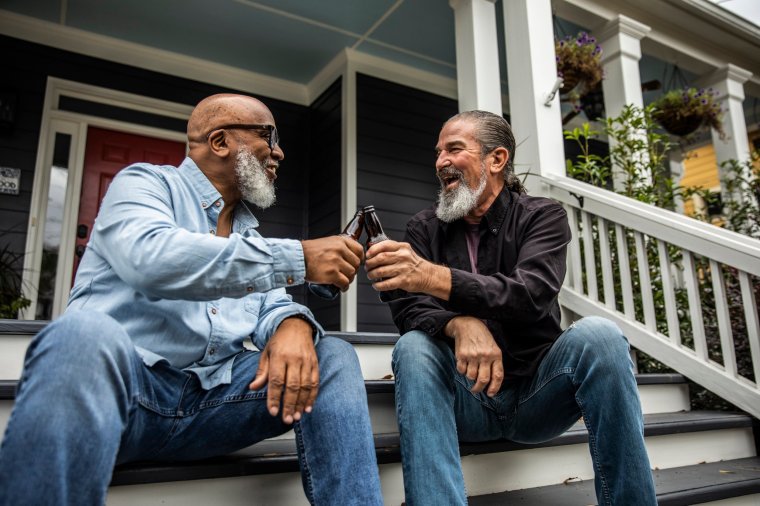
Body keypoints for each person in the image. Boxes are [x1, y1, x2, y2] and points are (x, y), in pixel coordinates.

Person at [0, 94, 383, 505]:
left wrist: (295, 325)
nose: (280, 151)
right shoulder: (142, 184)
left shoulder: (250, 238)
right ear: (219, 142)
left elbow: (273, 305)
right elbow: (153, 258)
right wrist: (299, 257)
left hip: (215, 408)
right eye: (269, 136)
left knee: (334, 355)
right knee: (80, 334)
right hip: (125, 398)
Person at [364, 110, 657, 505]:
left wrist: (432, 277)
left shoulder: (543, 216)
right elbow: (408, 305)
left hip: (538, 398)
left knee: (601, 337)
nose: (440, 162)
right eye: (437, 153)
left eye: (454, 149)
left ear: (496, 159)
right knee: (414, 347)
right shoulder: (424, 227)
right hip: (466, 399)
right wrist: (460, 324)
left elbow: (529, 294)